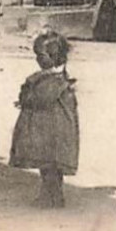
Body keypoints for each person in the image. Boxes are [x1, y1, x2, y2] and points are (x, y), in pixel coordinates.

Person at [9, 30, 79, 208]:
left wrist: (26, 98)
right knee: (52, 166)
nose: (37, 60)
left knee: (47, 165)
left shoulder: (50, 81)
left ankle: (50, 197)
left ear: (50, 57)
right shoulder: (59, 78)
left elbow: (40, 98)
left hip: (47, 130)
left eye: (40, 56)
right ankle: (54, 196)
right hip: (56, 129)